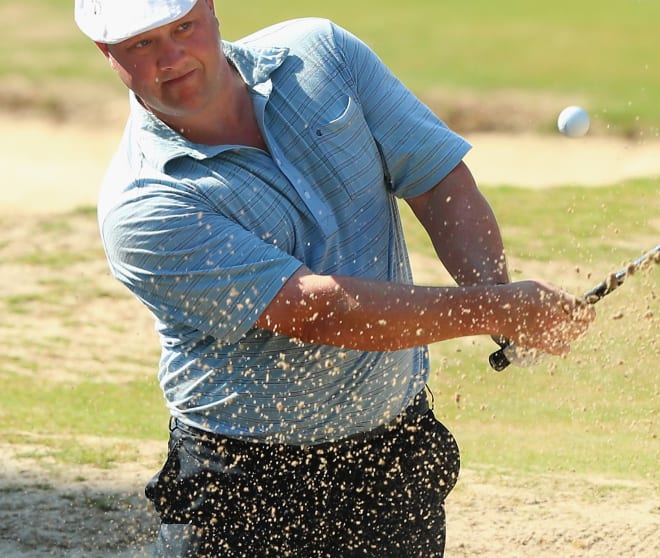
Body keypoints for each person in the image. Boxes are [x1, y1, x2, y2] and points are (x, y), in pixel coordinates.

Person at [74, 0, 595, 556]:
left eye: (183, 28)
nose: (173, 57)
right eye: (142, 44)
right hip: (245, 482)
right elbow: (316, 310)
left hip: (394, 454)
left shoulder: (322, 55)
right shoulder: (142, 204)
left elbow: (438, 180)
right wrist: (495, 309)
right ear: (108, 53)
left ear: (211, 9)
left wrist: (494, 295)